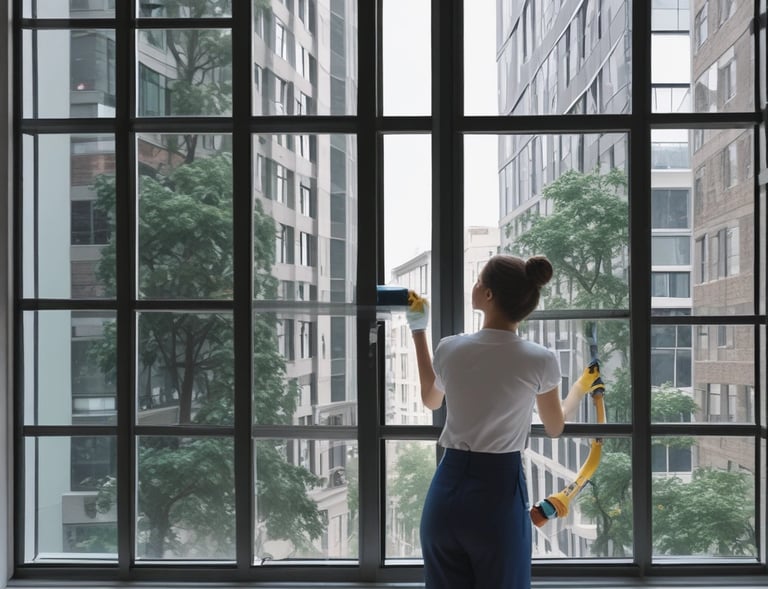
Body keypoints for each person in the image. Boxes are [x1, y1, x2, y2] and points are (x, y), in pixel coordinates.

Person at [406, 254, 587, 589]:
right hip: (498, 497)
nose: (475, 286)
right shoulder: (540, 360)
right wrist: (579, 390)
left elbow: (431, 399)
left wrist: (419, 331)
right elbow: (554, 426)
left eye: (478, 281)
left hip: (446, 493)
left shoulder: (450, 348)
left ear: (488, 295)